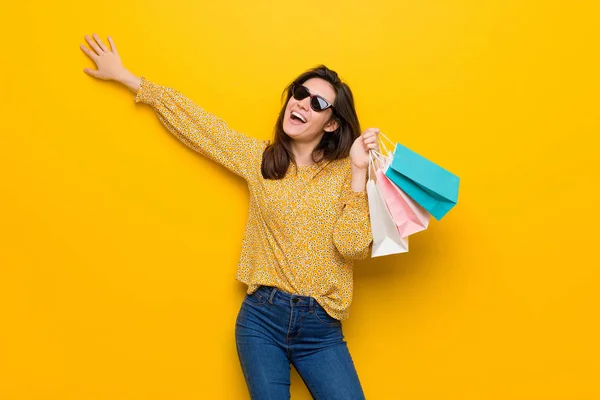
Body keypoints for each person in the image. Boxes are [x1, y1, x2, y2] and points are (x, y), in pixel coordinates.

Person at [80, 33, 381, 400]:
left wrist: (356, 175)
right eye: (298, 93)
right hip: (262, 321)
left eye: (317, 102)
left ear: (332, 124)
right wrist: (128, 77)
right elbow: (202, 127)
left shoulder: (348, 172)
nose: (301, 103)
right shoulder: (263, 162)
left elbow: (352, 247)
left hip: (321, 329)